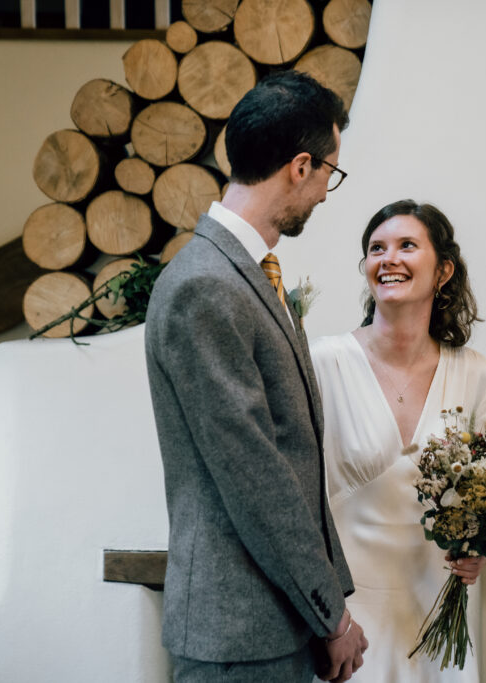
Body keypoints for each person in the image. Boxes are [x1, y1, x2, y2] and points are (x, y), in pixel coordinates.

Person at [144, 70, 368, 683]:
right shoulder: (205, 286)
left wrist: (325, 605)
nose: (326, 193)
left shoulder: (247, 273)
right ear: (301, 167)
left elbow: (293, 455)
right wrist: (333, 619)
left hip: (276, 619)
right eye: (329, 172)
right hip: (238, 633)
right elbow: (256, 474)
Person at [310, 200, 486, 682]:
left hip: (437, 603)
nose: (388, 259)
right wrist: (329, 616)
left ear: (443, 271)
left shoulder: (477, 375)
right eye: (377, 248)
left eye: (406, 246)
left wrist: (480, 546)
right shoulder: (323, 363)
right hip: (345, 613)